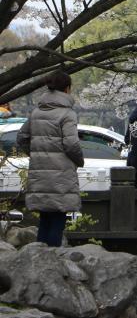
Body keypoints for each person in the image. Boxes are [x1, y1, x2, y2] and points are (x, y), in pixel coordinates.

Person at [16, 70, 84, 247]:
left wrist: (36, 154)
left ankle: (39, 258)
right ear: (67, 89)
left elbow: (22, 138)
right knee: (58, 219)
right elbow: (71, 145)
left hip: (40, 172)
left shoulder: (37, 112)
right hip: (61, 174)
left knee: (45, 218)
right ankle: (53, 260)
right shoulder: (67, 114)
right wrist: (79, 161)